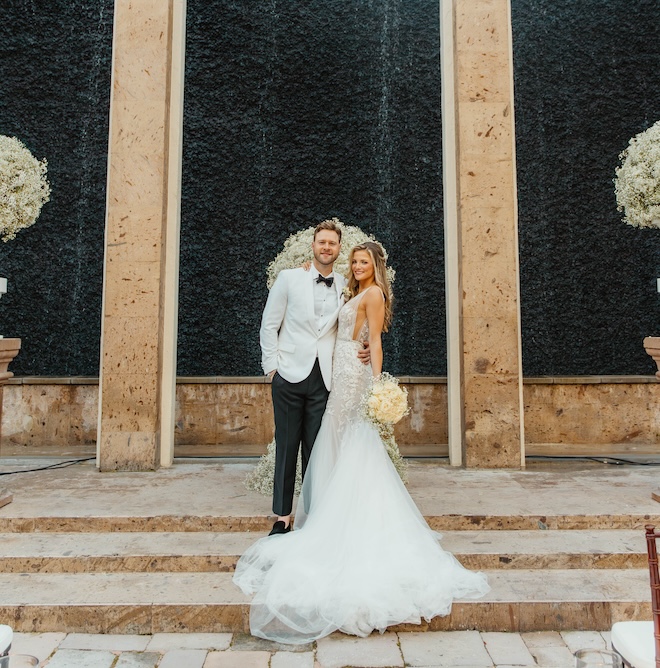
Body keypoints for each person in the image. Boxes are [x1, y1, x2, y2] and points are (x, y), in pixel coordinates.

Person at [235, 241, 490, 644]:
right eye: (353, 260)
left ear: (376, 265)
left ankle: (337, 522)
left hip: (349, 382)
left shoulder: (371, 294)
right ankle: (318, 514)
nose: (356, 265)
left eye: (362, 261)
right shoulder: (342, 287)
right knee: (334, 449)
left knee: (344, 447)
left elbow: (376, 341)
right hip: (328, 375)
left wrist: (375, 387)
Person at [259, 219, 368, 536]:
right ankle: (282, 517)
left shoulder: (348, 286)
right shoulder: (289, 278)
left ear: (338, 248)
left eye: (332, 243)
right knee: (287, 446)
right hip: (289, 375)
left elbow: (362, 320)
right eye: (321, 242)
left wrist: (368, 348)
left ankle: (314, 514)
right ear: (313, 245)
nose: (326, 247)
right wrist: (272, 369)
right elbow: (269, 324)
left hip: (326, 378)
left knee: (317, 450)